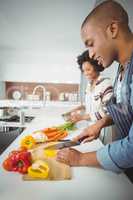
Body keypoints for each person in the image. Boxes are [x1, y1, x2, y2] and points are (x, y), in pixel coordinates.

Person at [56, 0, 133, 182]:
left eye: (90, 43)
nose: (90, 54)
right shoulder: (123, 69)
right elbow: (125, 108)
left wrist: (81, 158)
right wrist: (100, 124)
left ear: (113, 29)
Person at [64, 50, 113, 142]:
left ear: (96, 67)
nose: (85, 73)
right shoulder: (89, 85)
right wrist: (74, 110)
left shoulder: (106, 84)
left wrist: (81, 117)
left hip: (103, 130)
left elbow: (107, 112)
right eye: (83, 70)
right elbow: (90, 105)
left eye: (88, 69)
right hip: (91, 129)